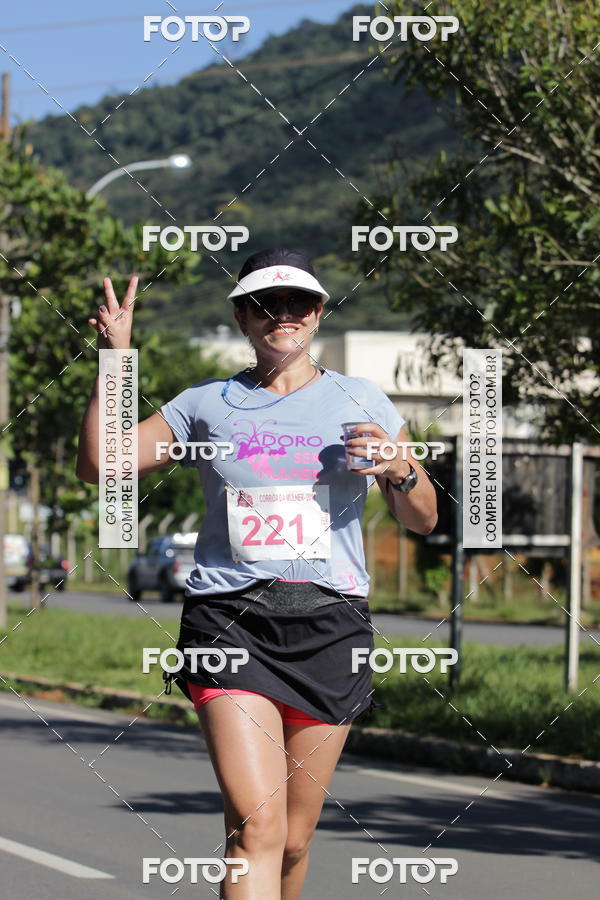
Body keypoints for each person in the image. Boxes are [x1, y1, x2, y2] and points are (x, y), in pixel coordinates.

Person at [76, 247, 437, 899]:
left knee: (293, 842)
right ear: (243, 317)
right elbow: (104, 464)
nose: (284, 315)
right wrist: (114, 360)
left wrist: (399, 469)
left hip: (330, 626)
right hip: (229, 625)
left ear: (319, 312)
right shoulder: (205, 406)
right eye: (265, 304)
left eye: (298, 302)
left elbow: (423, 519)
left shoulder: (363, 401)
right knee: (256, 827)